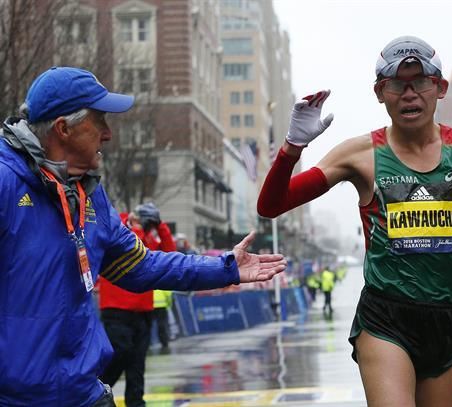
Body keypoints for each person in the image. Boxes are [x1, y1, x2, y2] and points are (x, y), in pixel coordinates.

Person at [257, 35, 452, 406]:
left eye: (421, 82)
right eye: (397, 84)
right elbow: (272, 205)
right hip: (385, 318)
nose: (410, 95)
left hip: (446, 318)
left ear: (440, 88)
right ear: (380, 92)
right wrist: (291, 148)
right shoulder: (360, 154)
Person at [0, 66, 287, 407]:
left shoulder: (89, 194)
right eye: (99, 121)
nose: (108, 134)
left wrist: (225, 268)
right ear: (63, 129)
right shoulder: (6, 183)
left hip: (84, 395)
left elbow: (142, 266)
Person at [96, 203, 177, 407]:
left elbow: (170, 254)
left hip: (143, 311)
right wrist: (136, 224)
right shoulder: (118, 228)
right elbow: (133, 253)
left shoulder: (148, 239)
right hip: (117, 309)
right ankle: (95, 396)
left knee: (137, 363)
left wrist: (160, 225)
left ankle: (136, 403)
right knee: (120, 354)